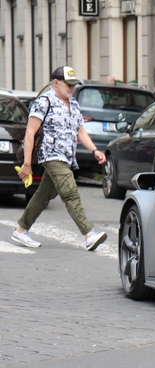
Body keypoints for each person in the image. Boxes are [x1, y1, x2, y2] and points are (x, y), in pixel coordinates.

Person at [11, 66, 108, 251]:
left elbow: (80, 131)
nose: (71, 87)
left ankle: (21, 230)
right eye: (68, 83)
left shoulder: (74, 104)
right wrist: (27, 163)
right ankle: (89, 235)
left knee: (43, 195)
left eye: (74, 84)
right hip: (51, 155)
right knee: (70, 192)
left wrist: (95, 150)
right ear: (56, 83)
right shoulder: (44, 102)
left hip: (67, 158)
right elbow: (30, 133)